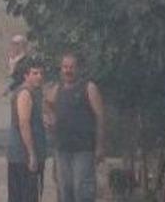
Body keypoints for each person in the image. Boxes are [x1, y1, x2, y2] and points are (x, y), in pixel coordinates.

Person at [44, 52, 106, 202]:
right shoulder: (55, 90)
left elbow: (100, 118)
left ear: (78, 69)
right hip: (62, 149)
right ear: (61, 69)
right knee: (65, 191)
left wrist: (100, 146)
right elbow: (47, 110)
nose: (68, 70)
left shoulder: (89, 88)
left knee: (82, 191)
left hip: (84, 149)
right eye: (65, 67)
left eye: (71, 67)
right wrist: (50, 122)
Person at [8, 56, 47, 202]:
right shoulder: (25, 93)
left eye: (41, 73)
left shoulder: (35, 93)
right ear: (26, 75)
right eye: (35, 73)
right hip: (22, 156)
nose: (39, 77)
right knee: (26, 197)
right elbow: (24, 124)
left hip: (21, 156)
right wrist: (31, 154)